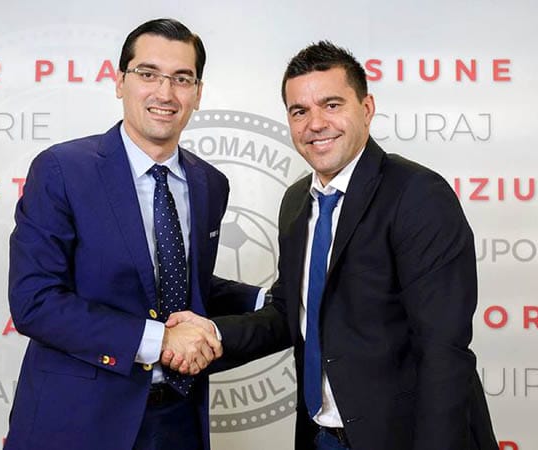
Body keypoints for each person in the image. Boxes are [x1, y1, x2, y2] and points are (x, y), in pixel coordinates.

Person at [166, 42, 499, 450]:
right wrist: (214, 332)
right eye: (299, 111)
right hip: (322, 437)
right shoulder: (296, 202)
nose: (315, 123)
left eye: (332, 105)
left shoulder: (417, 195)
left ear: (367, 108)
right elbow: (290, 313)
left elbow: (444, 351)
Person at [5, 18, 260, 450]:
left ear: (198, 93)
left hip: (179, 420)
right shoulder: (62, 170)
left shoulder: (210, 183)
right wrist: (161, 340)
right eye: (148, 73)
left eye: (182, 78)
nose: (165, 92)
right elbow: (35, 302)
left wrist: (274, 301)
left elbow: (180, 284)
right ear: (120, 81)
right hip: (79, 422)